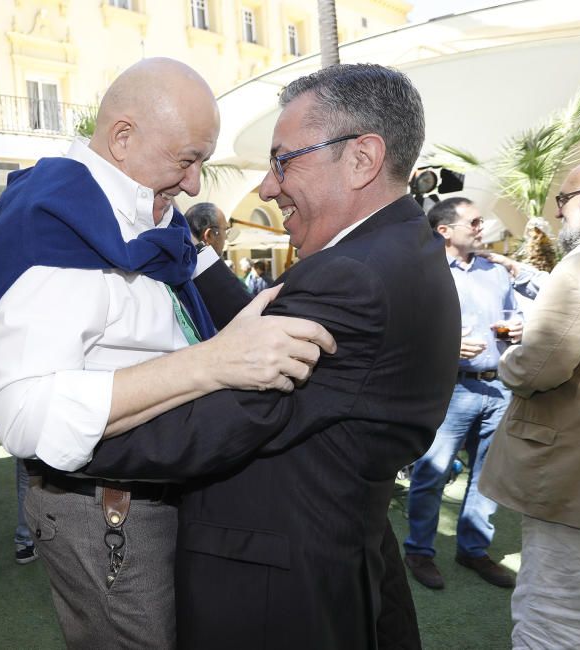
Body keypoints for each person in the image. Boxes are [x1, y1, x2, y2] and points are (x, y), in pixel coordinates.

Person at [74, 63, 461, 648]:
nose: (269, 187)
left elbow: (212, 422)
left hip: (275, 593)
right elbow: (263, 326)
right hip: (332, 550)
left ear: (362, 157)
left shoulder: (350, 277)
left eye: (283, 161)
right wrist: (188, 249)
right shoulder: (401, 248)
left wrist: (57, 426)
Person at [0, 57, 334, 649]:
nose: (194, 184)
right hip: (110, 510)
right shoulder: (55, 225)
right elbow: (20, 415)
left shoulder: (152, 218)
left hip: (164, 493)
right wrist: (212, 363)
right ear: (122, 137)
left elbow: (232, 308)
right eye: (186, 159)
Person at [480, 155, 580, 649]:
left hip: (575, 477)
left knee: (556, 619)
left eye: (564, 199)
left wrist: (508, 358)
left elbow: (539, 366)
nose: (556, 214)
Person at [403, 197, 520, 591]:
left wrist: (518, 327)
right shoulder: (425, 274)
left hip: (498, 386)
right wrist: (447, 347)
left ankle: (473, 550)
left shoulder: (496, 272)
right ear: (444, 231)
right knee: (431, 474)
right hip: (450, 389)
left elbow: (512, 315)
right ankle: (419, 551)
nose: (481, 226)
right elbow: (406, 332)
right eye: (473, 221)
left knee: (488, 478)